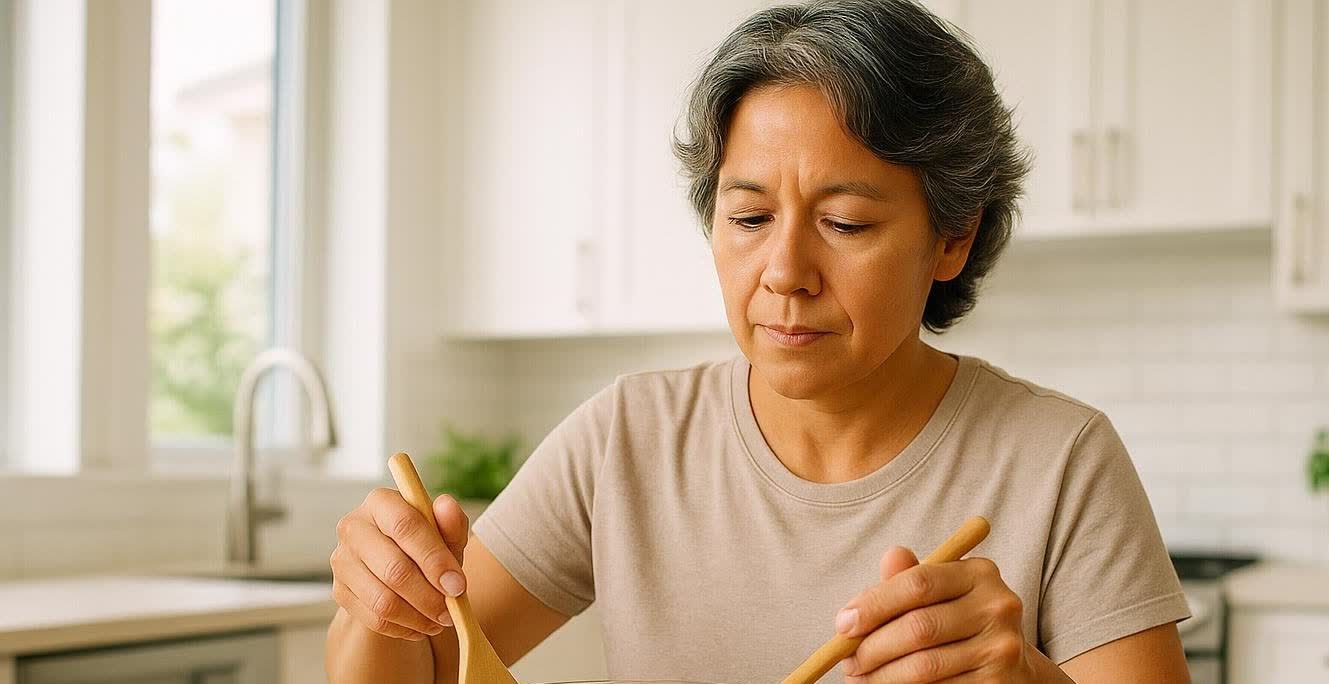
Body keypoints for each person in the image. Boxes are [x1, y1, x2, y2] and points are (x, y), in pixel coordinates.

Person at [326, 0, 1191, 681]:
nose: (784, 270)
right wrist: (379, 607)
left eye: (845, 222)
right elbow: (431, 669)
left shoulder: (1061, 460)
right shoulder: (626, 440)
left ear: (952, 237)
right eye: (748, 216)